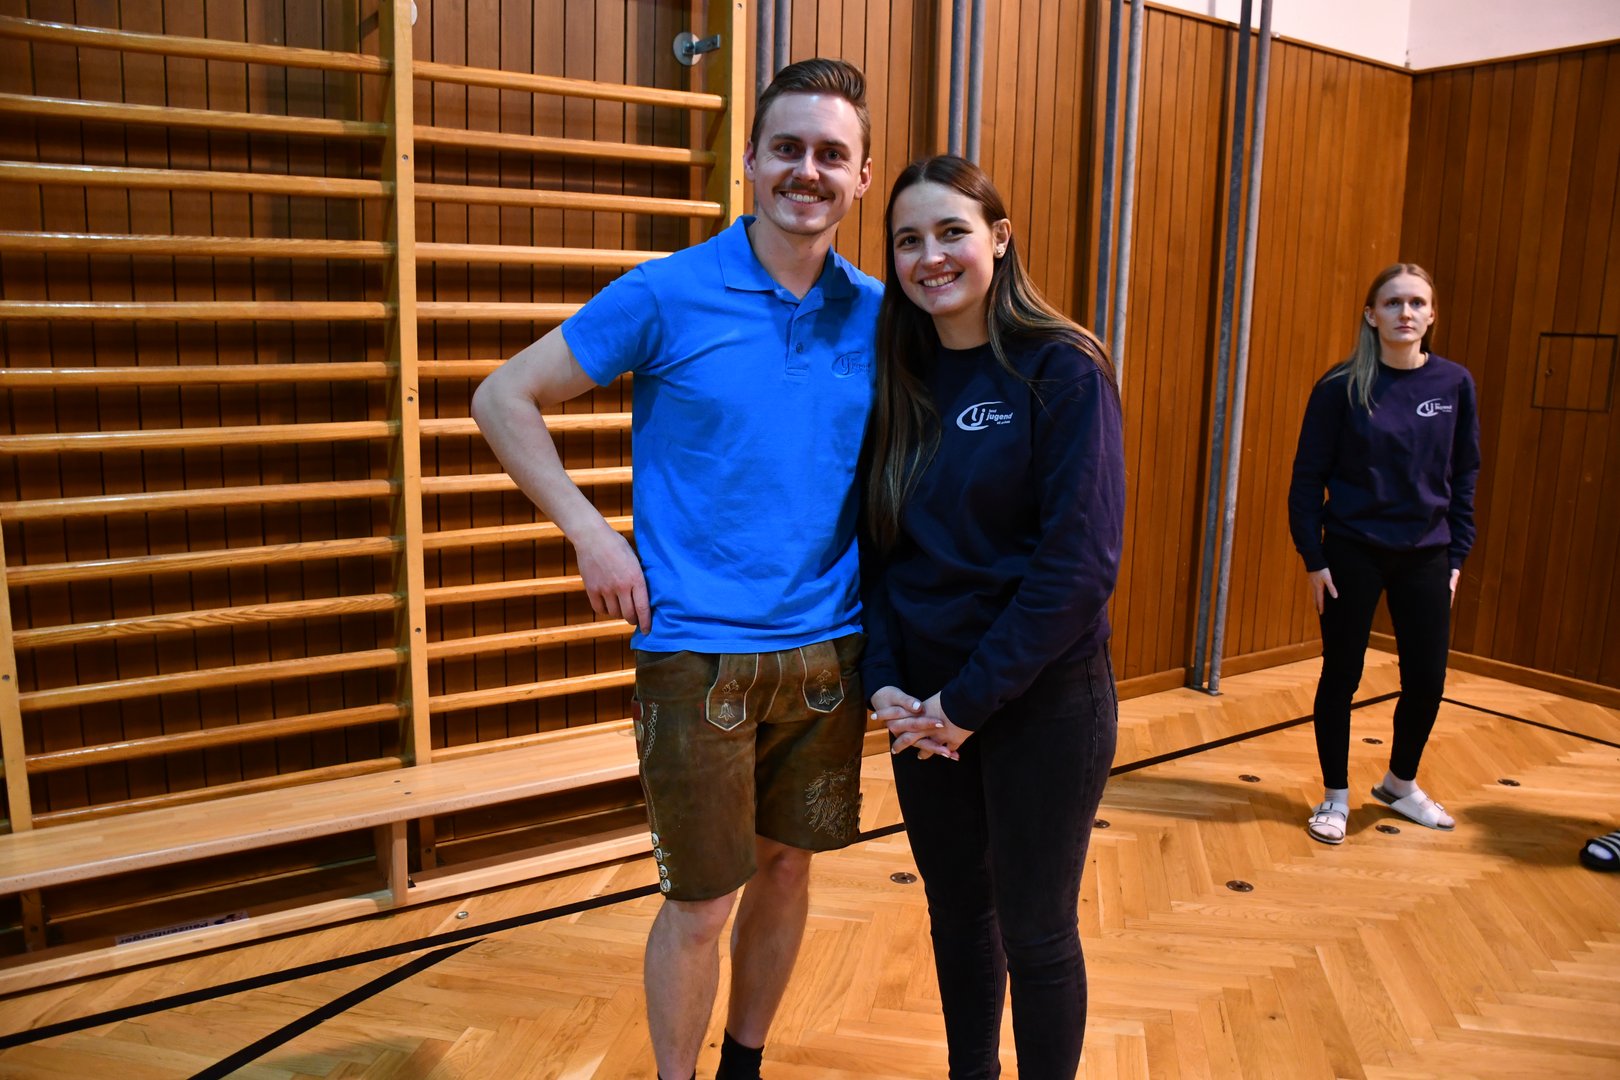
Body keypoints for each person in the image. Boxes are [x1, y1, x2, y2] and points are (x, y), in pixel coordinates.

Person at [471, 58, 880, 1080]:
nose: (808, 170)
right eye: (787, 148)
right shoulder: (666, 292)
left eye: (831, 154)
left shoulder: (882, 313)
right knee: (700, 904)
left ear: (861, 178)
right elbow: (502, 397)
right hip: (694, 656)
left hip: (831, 653)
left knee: (787, 873)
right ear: (750, 160)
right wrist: (591, 534)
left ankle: (743, 1064)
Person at [861, 155, 1126, 1079]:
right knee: (958, 915)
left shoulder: (1063, 367)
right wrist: (886, 681)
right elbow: (878, 549)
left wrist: (966, 704)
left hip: (1040, 702)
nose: (929, 256)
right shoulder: (899, 376)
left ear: (1000, 239)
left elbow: (1078, 567)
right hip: (923, 708)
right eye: (907, 240)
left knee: (1037, 930)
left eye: (951, 232)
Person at [1287, 263, 1481, 845]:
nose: (1405, 313)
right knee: (1341, 676)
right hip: (1352, 553)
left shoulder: (1454, 384)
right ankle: (1335, 796)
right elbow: (1306, 479)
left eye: (1417, 302)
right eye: (1393, 303)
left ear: (1432, 314)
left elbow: (1465, 474)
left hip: (1428, 555)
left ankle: (1400, 783)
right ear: (1371, 315)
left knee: (1427, 680)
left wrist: (1456, 555)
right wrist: (1314, 558)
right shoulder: (1340, 387)